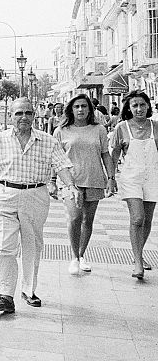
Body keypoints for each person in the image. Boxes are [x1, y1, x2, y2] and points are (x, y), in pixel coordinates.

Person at [0, 97, 78, 313]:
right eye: (18, 113)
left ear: (34, 115)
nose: (23, 117)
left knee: (32, 245)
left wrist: (71, 186)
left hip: (35, 196)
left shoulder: (48, 141)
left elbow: (61, 166)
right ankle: (4, 295)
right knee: (4, 245)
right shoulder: (0, 140)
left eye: (28, 113)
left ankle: (28, 290)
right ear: (11, 116)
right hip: (6, 194)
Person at [53, 94, 116, 274]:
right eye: (76, 106)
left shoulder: (99, 130)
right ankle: (74, 257)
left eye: (84, 106)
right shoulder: (61, 131)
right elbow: (55, 159)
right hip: (70, 181)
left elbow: (105, 154)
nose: (80, 110)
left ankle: (81, 255)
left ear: (90, 109)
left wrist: (111, 178)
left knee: (88, 220)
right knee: (74, 218)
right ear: (71, 110)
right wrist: (51, 181)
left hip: (94, 178)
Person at [109, 90, 158, 280]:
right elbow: (114, 154)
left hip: (153, 176)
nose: (139, 109)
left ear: (148, 106)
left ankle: (139, 253)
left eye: (142, 104)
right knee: (137, 218)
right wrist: (111, 178)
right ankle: (138, 263)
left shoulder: (155, 126)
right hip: (131, 177)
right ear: (129, 108)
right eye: (134, 105)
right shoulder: (122, 127)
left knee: (147, 220)